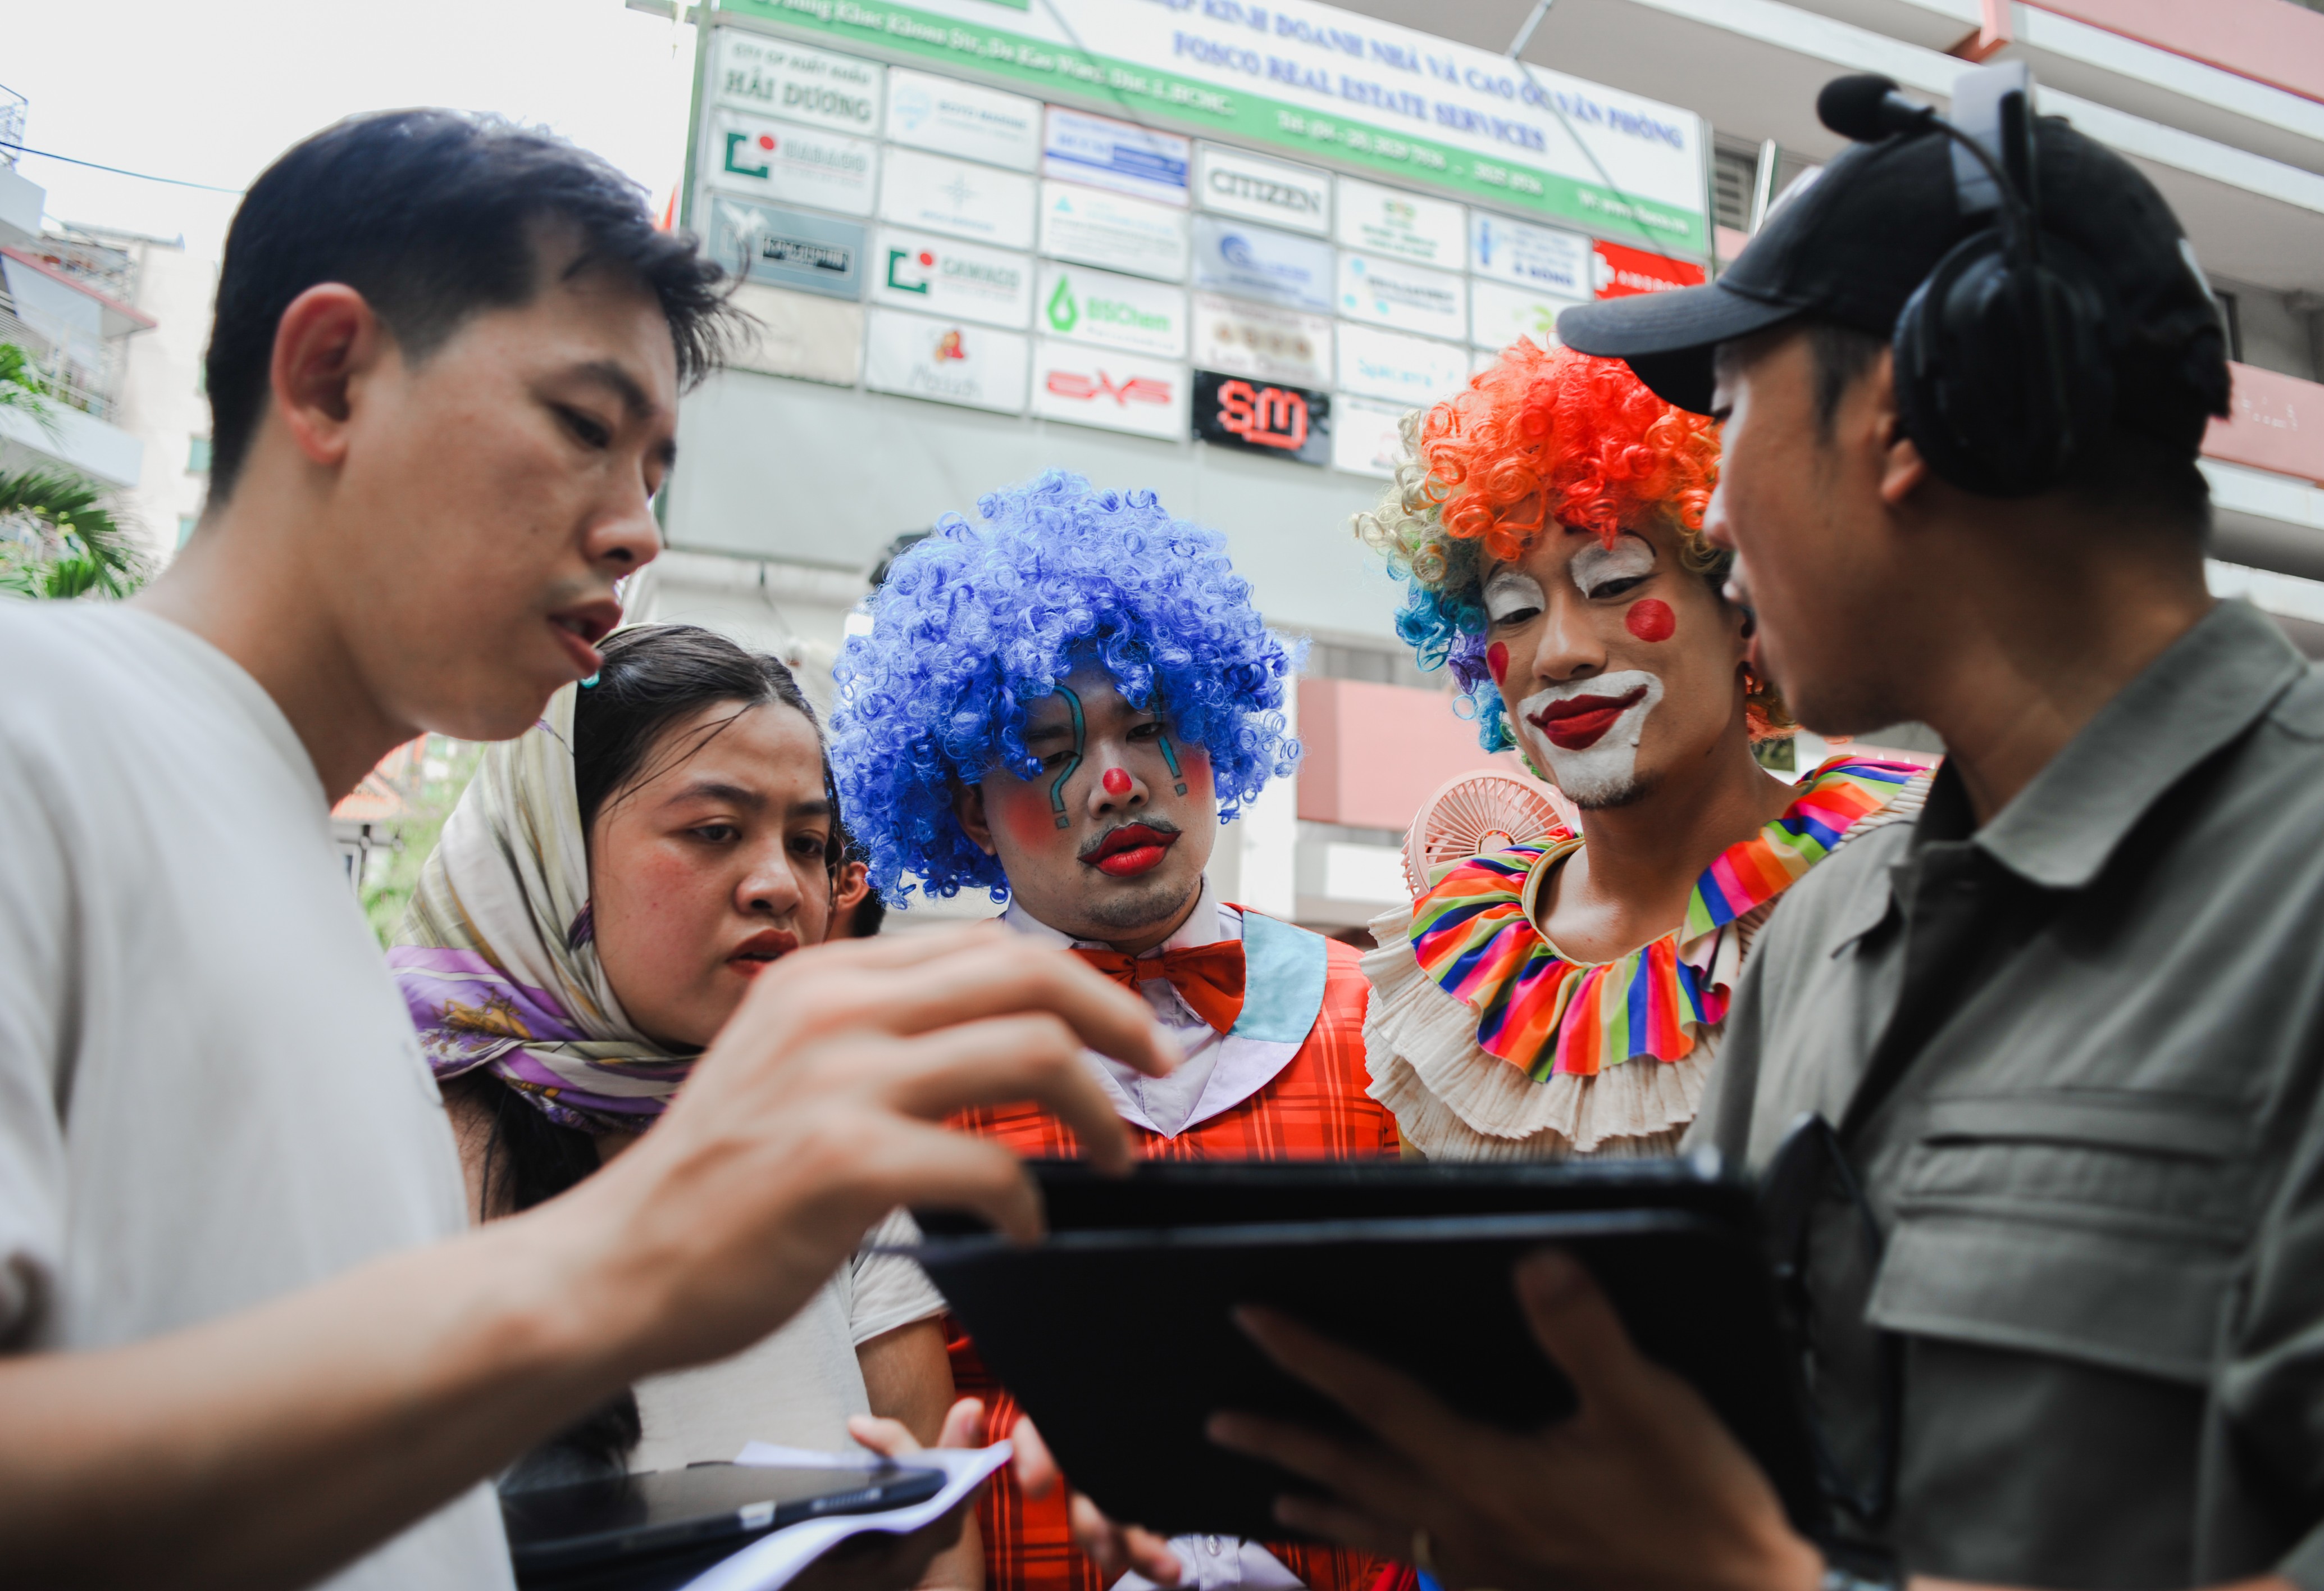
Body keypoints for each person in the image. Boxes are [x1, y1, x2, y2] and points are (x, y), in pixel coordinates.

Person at [1202, 78, 2324, 1591]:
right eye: (1513, 608)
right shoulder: (1831, 938)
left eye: (1733, 409)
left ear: (1898, 424)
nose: (1728, 509)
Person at [0, 110, 1173, 1590]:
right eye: (581, 425)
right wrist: (609, 1272)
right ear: (331, 375)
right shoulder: (35, 737)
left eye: (657, 465)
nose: (635, 531)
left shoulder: (308, 898)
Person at [832, 470, 1402, 1591]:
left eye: (1150, 724)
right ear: (962, 806)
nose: (1114, 781)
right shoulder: (902, 1068)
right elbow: (913, 1464)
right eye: (1046, 748)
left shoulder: (1386, 1017)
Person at [392, 621, 974, 1586]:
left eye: (809, 844)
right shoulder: (377, 1136)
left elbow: (939, 1538)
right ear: (552, 847)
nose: (780, 887)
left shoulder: (838, 1157)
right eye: (714, 831)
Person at [1354, 342, 1926, 1159]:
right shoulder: (1453, 966)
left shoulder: (1904, 861)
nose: (1558, 652)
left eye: (1616, 584)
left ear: (1743, 605)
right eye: (1513, 611)